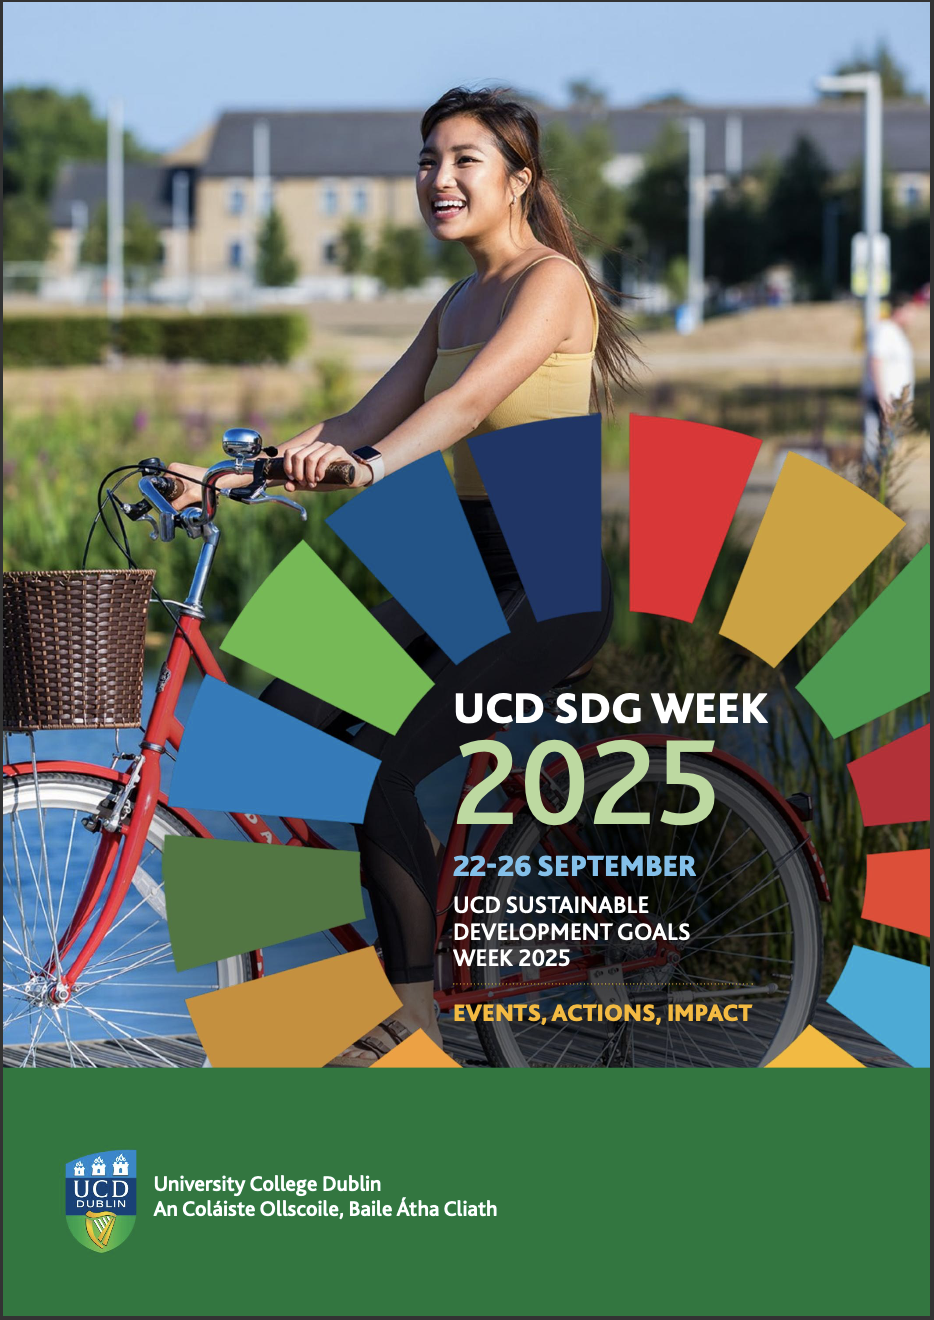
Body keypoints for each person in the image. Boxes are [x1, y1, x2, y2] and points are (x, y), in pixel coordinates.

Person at [168, 86, 634, 1064]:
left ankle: (411, 1022)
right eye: (428, 159)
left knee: (380, 769)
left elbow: (461, 407)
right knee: (285, 714)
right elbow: (354, 421)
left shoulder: (552, 283)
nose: (440, 178)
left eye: (465, 160)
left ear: (520, 180)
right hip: (467, 571)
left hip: (546, 584)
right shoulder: (457, 300)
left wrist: (373, 471)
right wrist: (223, 478)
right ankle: (373, 945)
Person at [862, 291, 919, 471]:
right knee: (878, 455)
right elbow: (875, 362)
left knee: (887, 454)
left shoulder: (896, 333)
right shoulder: (885, 330)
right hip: (885, 402)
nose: (913, 316)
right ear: (899, 310)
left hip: (895, 404)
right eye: (910, 310)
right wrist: (884, 402)